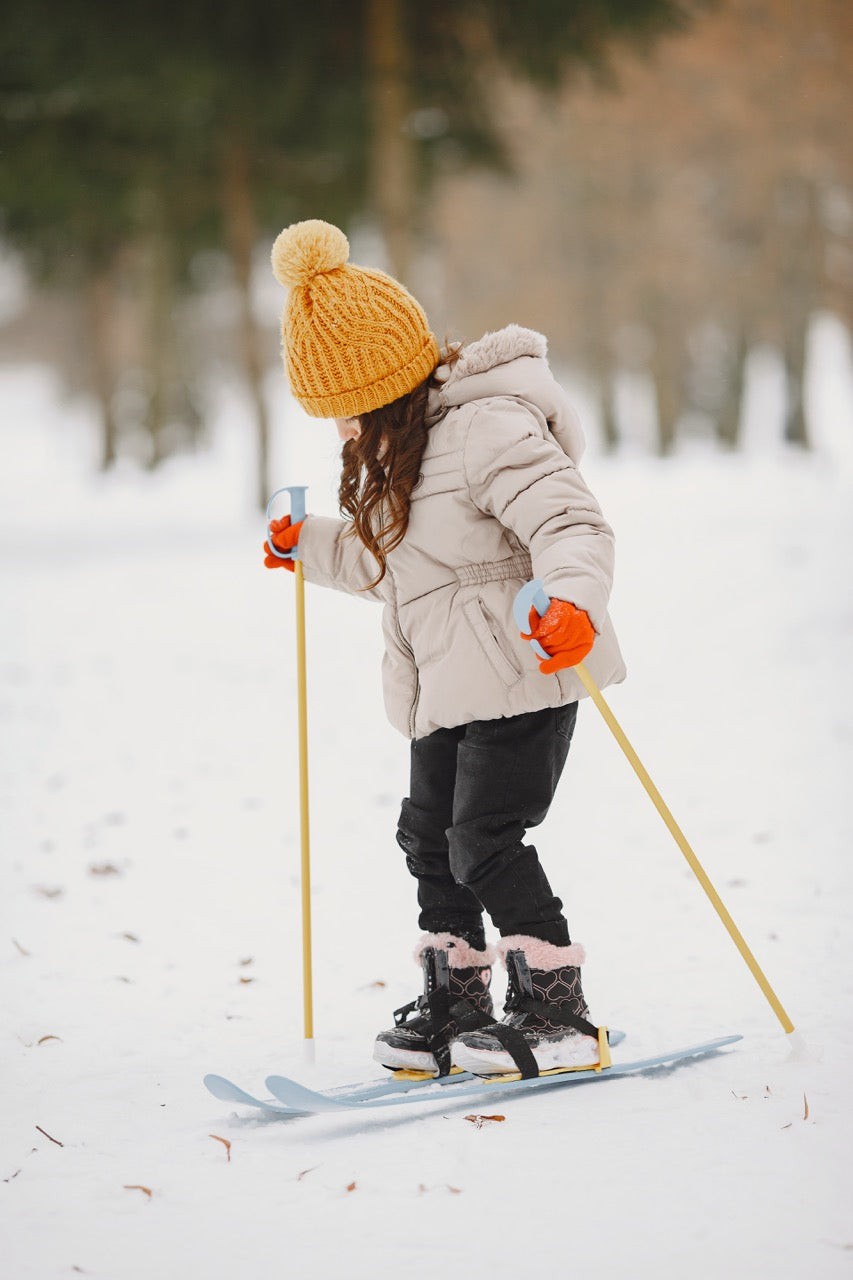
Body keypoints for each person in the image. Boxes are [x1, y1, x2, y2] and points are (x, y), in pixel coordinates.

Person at [263, 219, 626, 1079]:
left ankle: (554, 1011)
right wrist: (305, 542)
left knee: (484, 840)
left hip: (524, 672)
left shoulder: (487, 430)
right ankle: (455, 999)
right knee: (427, 839)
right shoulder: (398, 457)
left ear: (385, 387)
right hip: (440, 690)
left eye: (348, 410)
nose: (343, 431)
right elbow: (382, 564)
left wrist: (572, 602)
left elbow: (567, 521)